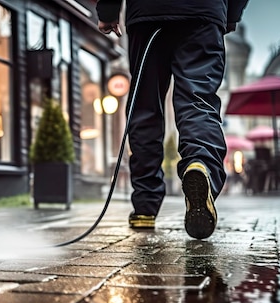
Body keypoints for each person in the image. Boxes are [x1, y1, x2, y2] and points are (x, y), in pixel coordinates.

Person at [95, 0, 249, 239]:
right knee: (198, 100)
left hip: (146, 14)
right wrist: (232, 13)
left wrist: (108, 10)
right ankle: (201, 163)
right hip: (203, 12)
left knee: (145, 105)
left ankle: (145, 207)